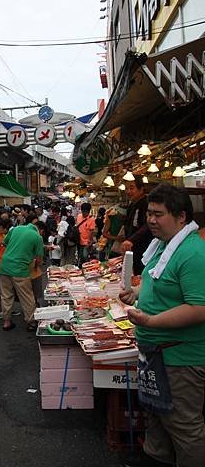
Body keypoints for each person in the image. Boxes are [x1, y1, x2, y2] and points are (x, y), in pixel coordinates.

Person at [120, 184, 205, 467]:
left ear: (181, 216)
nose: (151, 220)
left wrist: (151, 321)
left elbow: (199, 308)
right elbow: (154, 280)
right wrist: (136, 293)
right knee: (158, 417)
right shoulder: (165, 245)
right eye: (149, 214)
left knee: (184, 426)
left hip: (180, 357)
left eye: (158, 214)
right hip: (157, 353)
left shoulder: (192, 253)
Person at [0, 213, 43, 331]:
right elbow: (39, 260)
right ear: (40, 230)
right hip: (20, 269)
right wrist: (35, 266)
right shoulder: (37, 237)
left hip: (5, 266)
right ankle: (31, 321)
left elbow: (3, 243)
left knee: (6, 295)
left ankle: (6, 321)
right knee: (27, 296)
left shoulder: (16, 228)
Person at [120, 175, 153, 275]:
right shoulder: (132, 205)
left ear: (141, 189)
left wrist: (131, 240)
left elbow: (147, 225)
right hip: (132, 250)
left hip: (144, 250)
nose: (128, 191)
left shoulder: (146, 203)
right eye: (126, 188)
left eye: (131, 188)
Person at [76, 202, 96, 266]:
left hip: (86, 242)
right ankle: (80, 268)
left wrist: (89, 241)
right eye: (83, 211)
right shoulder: (79, 216)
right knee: (80, 255)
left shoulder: (92, 219)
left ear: (89, 211)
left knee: (85, 256)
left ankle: (86, 267)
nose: (84, 213)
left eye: (86, 211)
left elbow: (91, 232)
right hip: (78, 240)